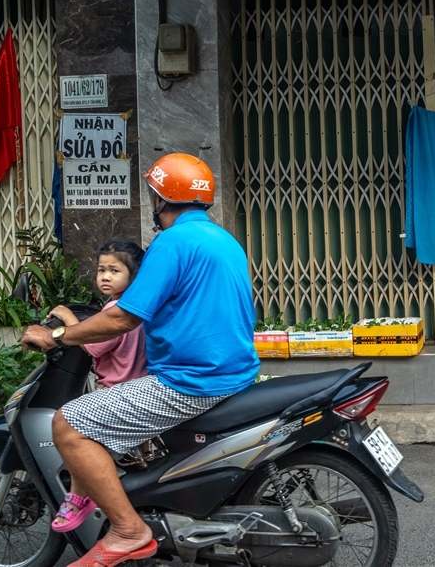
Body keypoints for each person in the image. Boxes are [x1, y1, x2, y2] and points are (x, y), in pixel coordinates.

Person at [23, 153, 260, 567]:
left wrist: (58, 334)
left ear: (161, 197)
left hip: (189, 382)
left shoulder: (172, 243)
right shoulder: (223, 239)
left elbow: (122, 316)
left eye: (153, 193)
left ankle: (129, 531)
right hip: (233, 372)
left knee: (69, 423)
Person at [45, 239, 147, 533]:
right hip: (138, 383)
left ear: (133, 275)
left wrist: (66, 319)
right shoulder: (134, 305)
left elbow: (93, 346)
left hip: (117, 388)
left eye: (114, 270)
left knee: (79, 436)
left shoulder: (117, 309)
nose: (105, 276)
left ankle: (78, 498)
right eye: (101, 269)